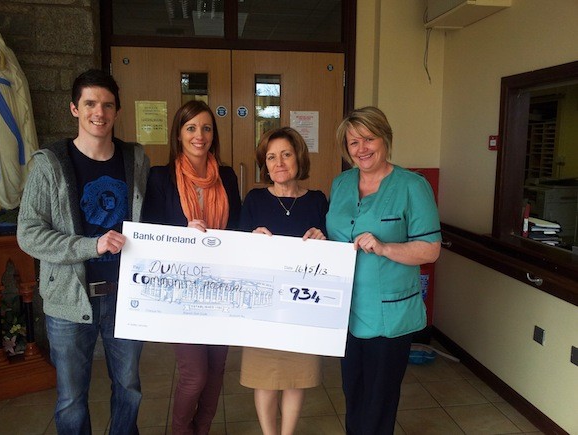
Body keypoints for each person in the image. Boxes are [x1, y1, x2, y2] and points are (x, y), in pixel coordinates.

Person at [17, 69, 149, 434]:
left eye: (107, 105)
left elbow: (148, 217)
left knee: (129, 389)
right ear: (74, 108)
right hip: (69, 301)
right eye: (90, 103)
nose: (99, 112)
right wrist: (91, 246)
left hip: (127, 297)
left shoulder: (135, 158)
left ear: (117, 112)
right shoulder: (49, 163)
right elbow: (29, 234)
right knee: (72, 398)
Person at [326, 106, 441, 435]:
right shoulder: (342, 183)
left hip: (390, 317)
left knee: (379, 399)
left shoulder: (412, 186)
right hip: (346, 311)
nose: (361, 148)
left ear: (385, 138)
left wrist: (385, 247)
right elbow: (334, 234)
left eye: (368, 138)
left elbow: (431, 249)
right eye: (352, 143)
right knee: (354, 394)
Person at [142, 100, 241, 435]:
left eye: (206, 128)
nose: (200, 135)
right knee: (194, 374)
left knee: (216, 372)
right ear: (179, 134)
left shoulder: (227, 176)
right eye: (191, 128)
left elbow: (239, 229)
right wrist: (181, 235)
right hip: (180, 292)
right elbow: (148, 235)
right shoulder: (159, 177)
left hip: (222, 289)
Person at [239, 126, 328, 435]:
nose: (279, 163)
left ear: (298, 158)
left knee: (296, 376)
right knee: (264, 376)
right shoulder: (254, 199)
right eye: (271, 157)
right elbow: (236, 250)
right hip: (262, 306)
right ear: (265, 163)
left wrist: (323, 237)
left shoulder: (317, 200)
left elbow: (331, 253)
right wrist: (250, 237)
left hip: (302, 308)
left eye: (286, 155)